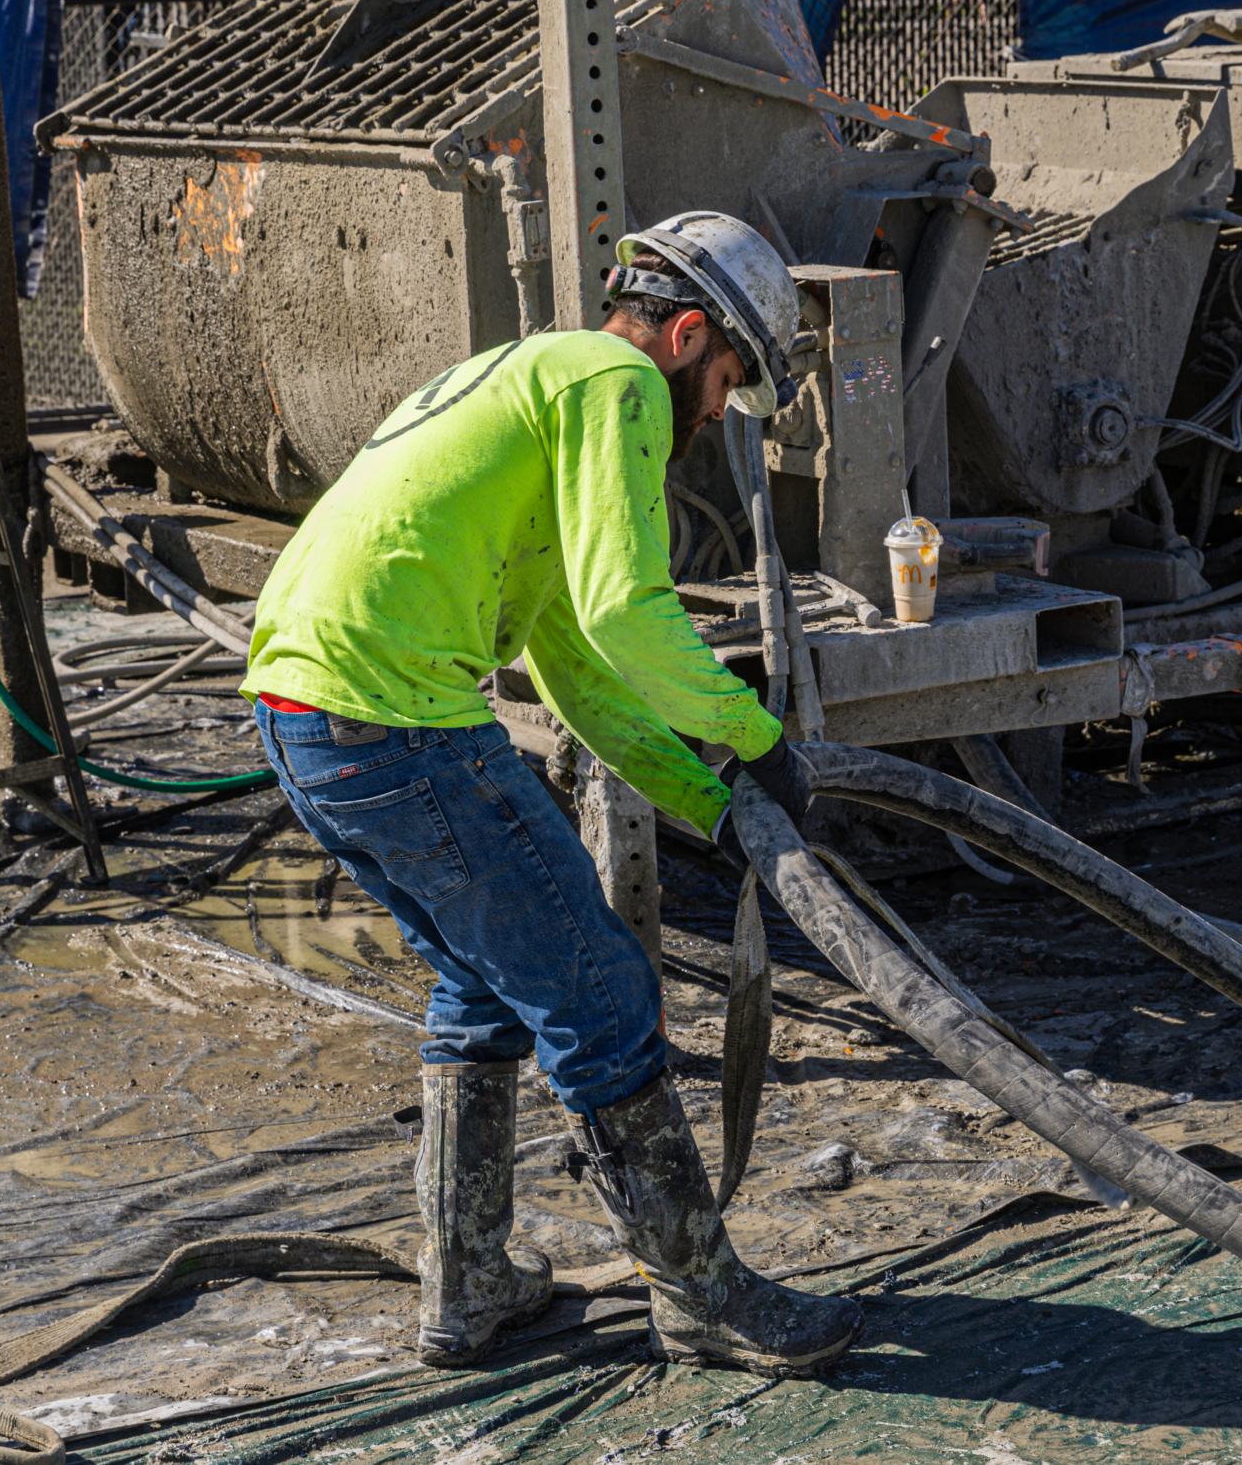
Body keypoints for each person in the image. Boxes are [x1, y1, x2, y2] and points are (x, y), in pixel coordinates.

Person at [242, 211, 858, 1374]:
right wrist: (757, 735)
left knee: (480, 988)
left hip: (307, 725)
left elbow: (578, 662)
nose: (713, 414)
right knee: (601, 996)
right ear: (686, 335)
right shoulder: (617, 381)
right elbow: (632, 613)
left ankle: (468, 1286)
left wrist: (711, 800)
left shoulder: (533, 378)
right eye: (727, 382)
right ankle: (702, 1299)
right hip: (394, 721)